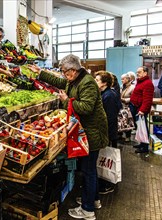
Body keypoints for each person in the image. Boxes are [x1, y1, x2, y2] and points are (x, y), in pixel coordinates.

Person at [29, 54, 108, 220]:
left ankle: (87, 211)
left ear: (73, 70)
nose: (63, 75)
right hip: (87, 131)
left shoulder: (87, 83)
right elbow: (60, 82)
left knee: (88, 170)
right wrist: (40, 72)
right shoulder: (76, 79)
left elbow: (86, 108)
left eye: (65, 72)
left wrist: (66, 101)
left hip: (92, 132)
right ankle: (93, 200)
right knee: (90, 169)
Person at [95, 71, 122, 194]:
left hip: (109, 133)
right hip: (109, 132)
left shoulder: (108, 96)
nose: (95, 82)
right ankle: (105, 183)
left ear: (104, 83)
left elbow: (109, 117)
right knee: (105, 159)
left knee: (107, 159)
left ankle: (107, 185)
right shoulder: (107, 93)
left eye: (97, 80)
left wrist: (106, 136)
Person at [130, 66, 154, 153]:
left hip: (140, 109)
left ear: (145, 73)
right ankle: (142, 143)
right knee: (139, 127)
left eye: (139, 72)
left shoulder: (148, 83)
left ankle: (145, 147)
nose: (137, 73)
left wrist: (142, 110)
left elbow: (147, 99)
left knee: (143, 128)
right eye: (137, 72)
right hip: (136, 107)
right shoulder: (140, 82)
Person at [120, 73, 135, 142]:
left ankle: (128, 136)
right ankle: (121, 133)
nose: (122, 80)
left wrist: (124, 100)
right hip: (121, 106)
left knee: (128, 122)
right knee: (122, 121)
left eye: (123, 79)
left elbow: (133, 98)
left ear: (127, 79)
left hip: (128, 106)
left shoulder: (132, 87)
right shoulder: (121, 86)